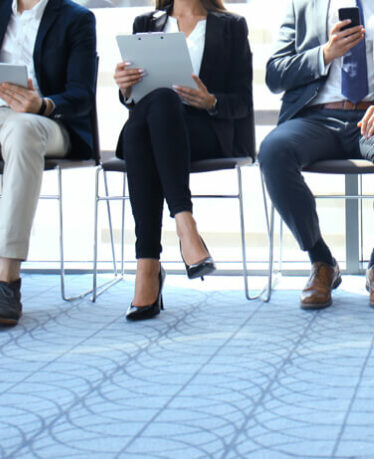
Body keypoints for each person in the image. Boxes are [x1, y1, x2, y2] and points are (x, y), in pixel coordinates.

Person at [259, 0, 374, 310]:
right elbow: (275, 75)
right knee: (274, 150)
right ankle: (321, 262)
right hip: (316, 118)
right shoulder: (303, 5)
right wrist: (325, 54)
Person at [0, 0, 96, 326]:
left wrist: (41, 104)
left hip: (45, 121)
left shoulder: (77, 18)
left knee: (21, 127)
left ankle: (7, 275)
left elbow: (81, 94)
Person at [113, 0, 253, 321]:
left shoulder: (230, 26)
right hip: (151, 130)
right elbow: (133, 100)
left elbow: (243, 101)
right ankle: (185, 229)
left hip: (204, 134)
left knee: (145, 127)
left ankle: (148, 266)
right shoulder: (145, 23)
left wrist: (211, 100)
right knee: (156, 107)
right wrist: (125, 89)